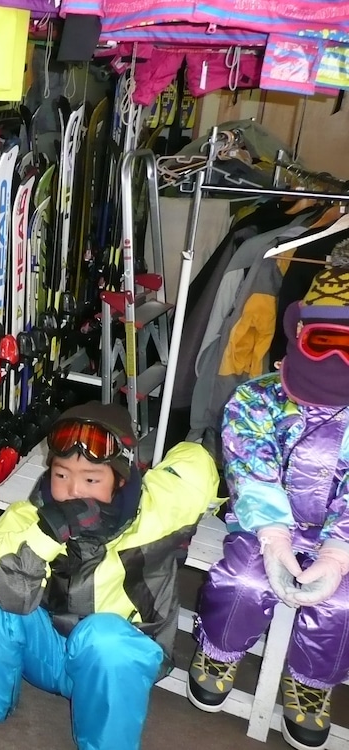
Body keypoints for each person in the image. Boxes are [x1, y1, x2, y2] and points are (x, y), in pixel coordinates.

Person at [0, 401, 220, 749]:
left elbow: (194, 467)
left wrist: (219, 453)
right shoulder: (30, 517)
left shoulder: (157, 512)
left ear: (120, 479)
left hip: (111, 667)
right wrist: (46, 535)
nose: (73, 490)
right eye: (61, 475)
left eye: (90, 478)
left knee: (105, 638)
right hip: (45, 653)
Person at [189, 266, 349, 750]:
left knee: (342, 601)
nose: (338, 358)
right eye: (325, 341)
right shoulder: (257, 398)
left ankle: (312, 682)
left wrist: (338, 551)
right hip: (263, 524)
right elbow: (250, 467)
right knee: (244, 579)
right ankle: (219, 650)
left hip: (337, 534)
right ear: (299, 334)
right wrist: (274, 535)